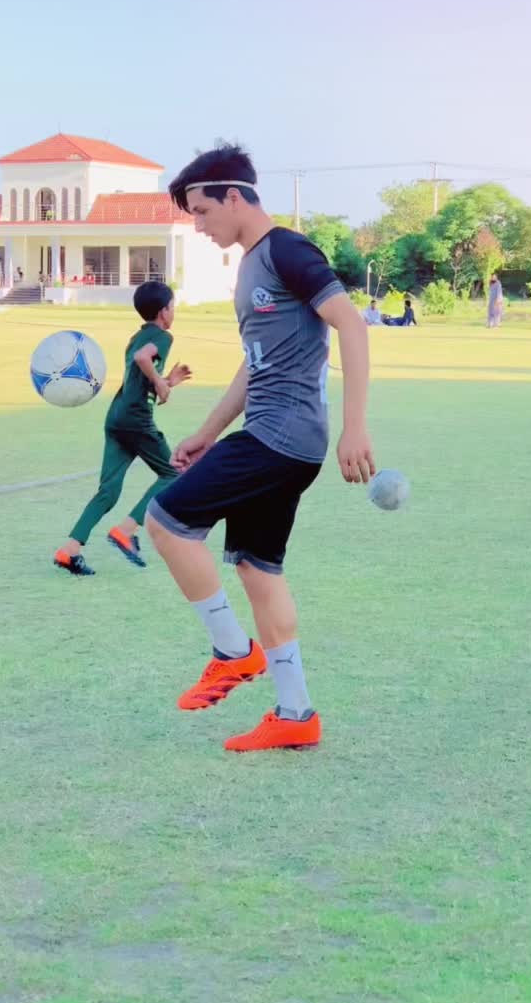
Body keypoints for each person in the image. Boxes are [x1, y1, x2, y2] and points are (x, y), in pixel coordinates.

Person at [145, 144, 374, 754]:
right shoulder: (250, 265)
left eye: (202, 211)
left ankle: (231, 652)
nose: (199, 226)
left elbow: (351, 324)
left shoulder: (288, 251)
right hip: (279, 437)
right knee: (256, 567)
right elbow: (257, 362)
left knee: (166, 522)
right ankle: (296, 714)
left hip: (282, 436)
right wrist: (207, 431)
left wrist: (355, 426)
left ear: (235, 197)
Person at [53, 281, 192, 576]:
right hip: (136, 419)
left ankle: (69, 551)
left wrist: (168, 381)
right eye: (172, 306)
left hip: (117, 417)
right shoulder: (163, 336)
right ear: (163, 311)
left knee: (108, 491)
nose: (173, 312)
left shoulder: (135, 337)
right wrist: (160, 382)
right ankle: (125, 531)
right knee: (173, 473)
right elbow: (144, 361)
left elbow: (139, 376)